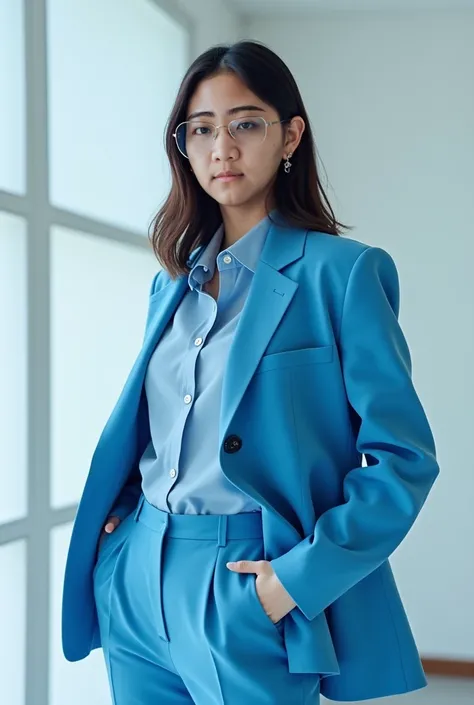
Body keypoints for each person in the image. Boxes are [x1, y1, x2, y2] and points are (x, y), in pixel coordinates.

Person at [61, 40, 440, 705]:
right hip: (137, 576)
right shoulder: (171, 282)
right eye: (201, 129)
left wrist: (290, 582)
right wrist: (122, 526)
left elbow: (402, 458)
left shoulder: (342, 275)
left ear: (290, 134)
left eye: (244, 123)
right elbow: (156, 430)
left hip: (243, 579)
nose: (221, 148)